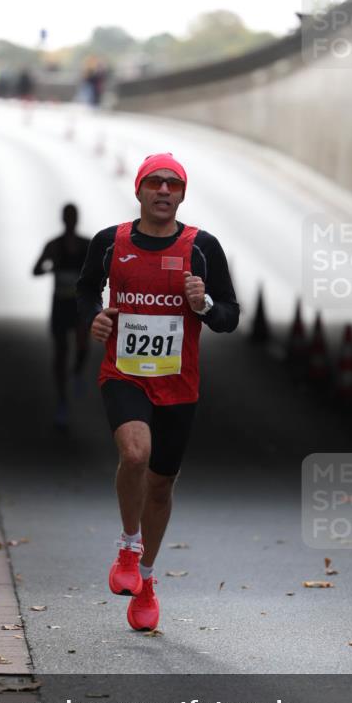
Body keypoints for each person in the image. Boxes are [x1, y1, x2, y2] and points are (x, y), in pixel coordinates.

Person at [77, 153, 239, 630]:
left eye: (173, 184)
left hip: (179, 384)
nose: (164, 190)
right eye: (155, 182)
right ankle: (129, 548)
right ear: (139, 190)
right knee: (134, 454)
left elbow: (229, 316)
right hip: (124, 374)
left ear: (183, 194)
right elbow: (86, 290)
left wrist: (203, 302)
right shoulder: (111, 242)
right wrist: (94, 317)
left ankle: (145, 580)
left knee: (162, 484)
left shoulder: (202, 247)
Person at [33, 204, 91, 427]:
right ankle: (62, 401)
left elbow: (100, 269)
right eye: (68, 217)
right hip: (60, 304)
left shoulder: (87, 246)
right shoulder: (54, 245)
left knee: (83, 345)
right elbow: (36, 269)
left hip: (78, 305)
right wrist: (52, 268)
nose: (70, 220)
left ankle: (76, 372)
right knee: (61, 352)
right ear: (63, 219)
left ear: (76, 219)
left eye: (72, 217)